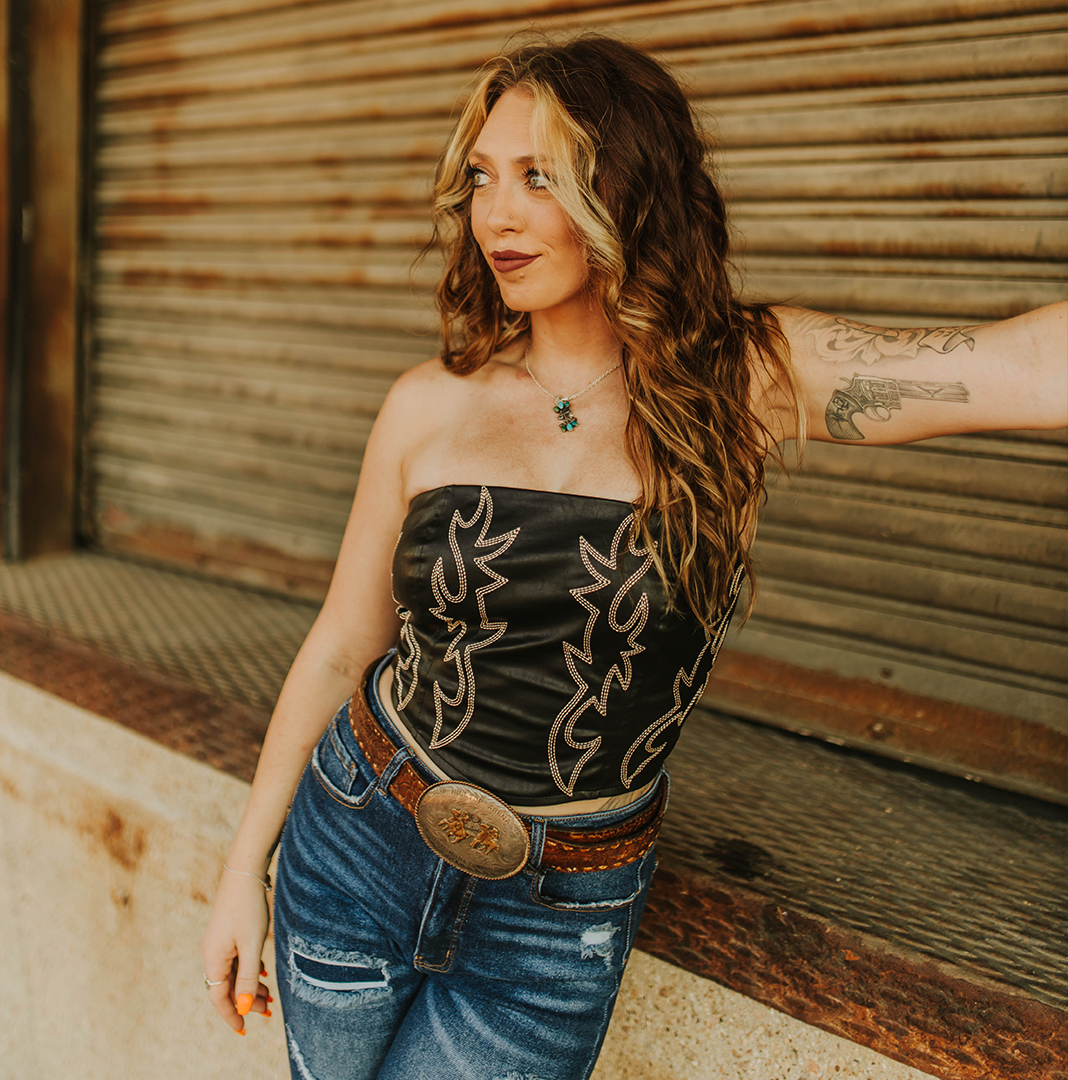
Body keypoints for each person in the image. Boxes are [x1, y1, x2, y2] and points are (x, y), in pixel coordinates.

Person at [201, 34, 1066, 1080]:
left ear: (628, 190)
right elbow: (345, 644)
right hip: (358, 841)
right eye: (481, 178)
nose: (496, 215)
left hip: (557, 919)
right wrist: (246, 862)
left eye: (539, 178)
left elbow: (1018, 367)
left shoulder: (745, 380)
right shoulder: (429, 405)